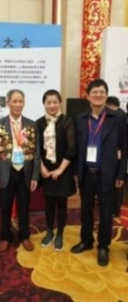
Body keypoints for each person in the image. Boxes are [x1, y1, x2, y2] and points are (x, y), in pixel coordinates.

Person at [71, 79, 127, 266]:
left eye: (102, 92)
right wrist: (76, 172)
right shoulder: (80, 119)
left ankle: (104, 246)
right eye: (94, 92)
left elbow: (124, 148)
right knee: (85, 210)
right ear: (87, 96)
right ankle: (86, 240)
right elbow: (77, 148)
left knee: (106, 213)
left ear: (106, 95)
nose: (98, 95)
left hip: (107, 174)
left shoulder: (118, 118)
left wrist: (120, 174)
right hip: (87, 173)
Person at [0, 89, 40, 252]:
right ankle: (5, 236)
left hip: (25, 172)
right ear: (8, 103)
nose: (18, 105)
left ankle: (24, 236)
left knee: (24, 206)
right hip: (6, 171)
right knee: (5, 206)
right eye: (15, 101)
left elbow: (36, 153)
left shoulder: (31, 124)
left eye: (20, 101)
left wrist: (35, 176)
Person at [35, 90, 76, 251]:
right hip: (46, 169)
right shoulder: (39, 123)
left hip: (63, 169)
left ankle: (60, 233)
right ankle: (49, 231)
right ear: (44, 104)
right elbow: (36, 149)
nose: (52, 105)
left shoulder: (67, 122)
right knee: (49, 203)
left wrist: (60, 169)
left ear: (60, 103)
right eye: (48, 102)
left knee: (62, 204)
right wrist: (42, 168)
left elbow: (72, 149)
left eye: (55, 102)